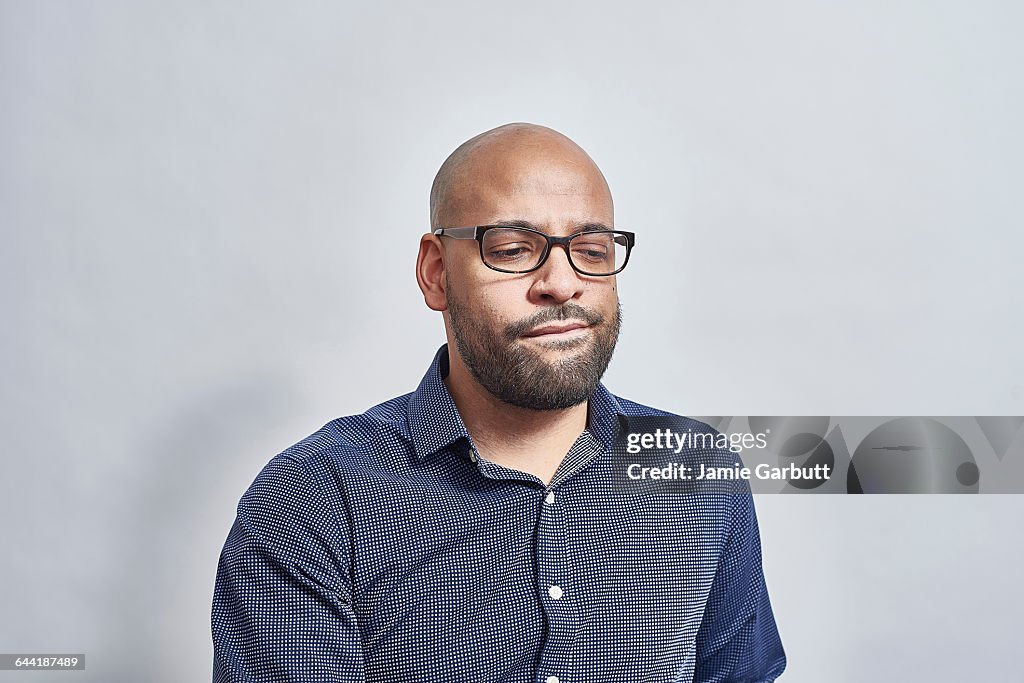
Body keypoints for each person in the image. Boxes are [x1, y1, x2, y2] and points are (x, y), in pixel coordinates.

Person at [211, 123, 786, 682]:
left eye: (590, 248)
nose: (562, 283)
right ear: (436, 273)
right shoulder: (306, 501)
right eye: (512, 249)